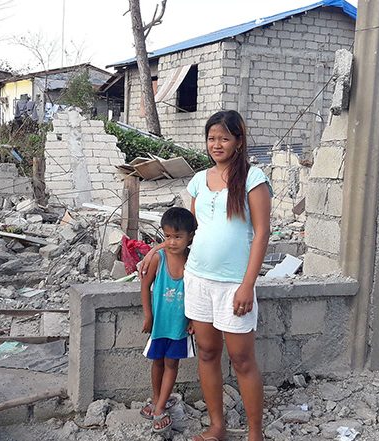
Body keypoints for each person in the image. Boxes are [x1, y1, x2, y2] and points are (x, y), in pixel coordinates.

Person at [142, 110, 272, 441]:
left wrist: (247, 285)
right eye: (212, 138)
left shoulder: (254, 179)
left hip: (233, 285)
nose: (217, 144)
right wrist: (156, 251)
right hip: (197, 280)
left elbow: (261, 235)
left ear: (239, 142)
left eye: (224, 138)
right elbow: (188, 232)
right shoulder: (199, 180)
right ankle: (218, 426)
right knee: (208, 353)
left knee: (242, 360)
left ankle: (255, 433)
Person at [139, 207, 198, 433]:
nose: (172, 242)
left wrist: (192, 319)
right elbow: (145, 286)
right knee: (158, 362)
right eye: (168, 237)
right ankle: (157, 400)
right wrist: (148, 315)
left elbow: (195, 291)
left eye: (178, 237)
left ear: (190, 236)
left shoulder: (193, 260)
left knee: (172, 364)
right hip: (159, 324)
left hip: (179, 325)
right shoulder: (159, 258)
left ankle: (161, 406)